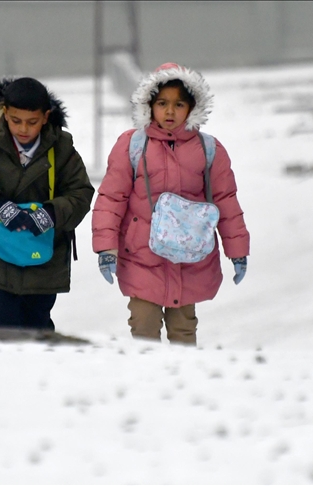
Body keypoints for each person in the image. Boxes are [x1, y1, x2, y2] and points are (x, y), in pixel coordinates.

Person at [91, 63, 250, 345]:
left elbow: (226, 201)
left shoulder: (208, 149)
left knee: (183, 332)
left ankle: (181, 386)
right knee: (143, 329)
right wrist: (106, 248)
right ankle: (146, 385)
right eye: (162, 103)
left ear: (192, 108)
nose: (170, 111)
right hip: (142, 257)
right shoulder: (132, 146)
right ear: (149, 105)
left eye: (179, 104)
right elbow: (111, 198)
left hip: (190, 258)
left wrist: (237, 250)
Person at [0, 77, 94, 330]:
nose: (24, 129)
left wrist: (49, 213)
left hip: (42, 256)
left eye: (32, 122)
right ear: (5, 112)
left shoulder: (61, 147)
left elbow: (80, 192)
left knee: (38, 325)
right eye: (16, 121)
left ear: (46, 116)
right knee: (0, 322)